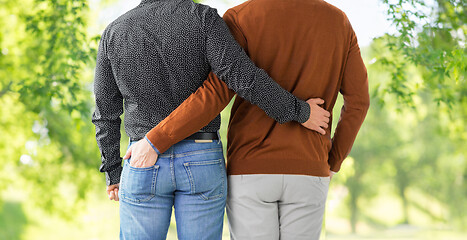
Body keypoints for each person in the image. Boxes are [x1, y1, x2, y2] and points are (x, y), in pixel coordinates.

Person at [127, 0, 370, 239]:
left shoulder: (240, 17)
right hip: (309, 168)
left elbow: (215, 93)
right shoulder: (338, 21)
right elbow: (359, 102)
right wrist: (333, 161)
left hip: (250, 170)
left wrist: (155, 139)